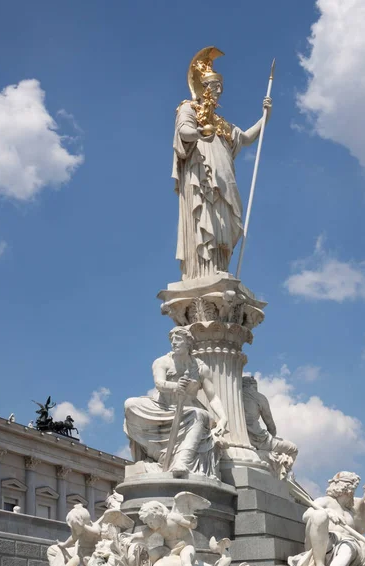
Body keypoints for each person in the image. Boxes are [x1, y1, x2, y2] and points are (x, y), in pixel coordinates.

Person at [173, 47, 272, 280]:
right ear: (203, 87)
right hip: (202, 170)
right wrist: (199, 133)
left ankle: (220, 266)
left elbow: (246, 138)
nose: (218, 93)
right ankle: (203, 269)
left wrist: (264, 117)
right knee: (206, 213)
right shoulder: (190, 108)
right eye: (214, 88)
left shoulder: (222, 122)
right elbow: (183, 130)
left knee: (223, 220)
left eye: (220, 89)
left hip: (224, 174)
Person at [124, 327, 228, 478]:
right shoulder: (162, 362)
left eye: (178, 339)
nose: (173, 342)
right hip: (161, 407)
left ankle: (182, 461)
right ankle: (159, 454)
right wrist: (175, 386)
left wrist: (223, 418)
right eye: (172, 339)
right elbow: (159, 383)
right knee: (130, 404)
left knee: (200, 415)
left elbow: (212, 397)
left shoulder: (200, 368)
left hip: (187, 411)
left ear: (188, 343)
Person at [241, 376, 298, 478]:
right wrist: (270, 440)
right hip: (259, 439)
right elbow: (271, 426)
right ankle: (280, 475)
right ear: (253, 385)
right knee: (293, 449)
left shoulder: (236, 396)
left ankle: (273, 461)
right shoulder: (259, 397)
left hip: (241, 436)